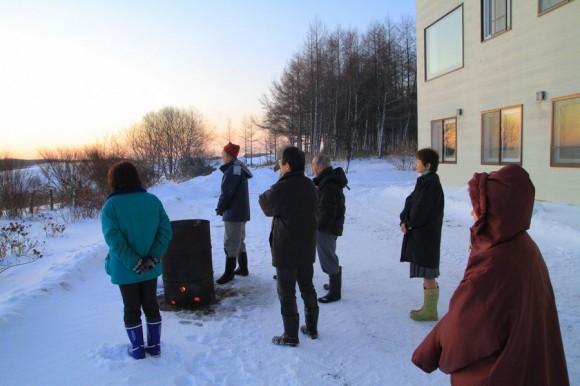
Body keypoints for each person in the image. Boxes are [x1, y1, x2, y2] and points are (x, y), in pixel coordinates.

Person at [412, 164, 569, 385]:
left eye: (476, 206)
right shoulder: (524, 246)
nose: (471, 212)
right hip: (525, 367)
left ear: (495, 210)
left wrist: (431, 349)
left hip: (496, 374)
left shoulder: (493, 264)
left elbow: (463, 335)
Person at [101, 161, 173, 360]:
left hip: (126, 270)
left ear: (113, 181)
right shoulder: (152, 200)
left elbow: (113, 239)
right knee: (151, 304)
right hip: (150, 267)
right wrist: (152, 257)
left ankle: (137, 349)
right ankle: (155, 346)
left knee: (131, 307)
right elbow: (165, 231)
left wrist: (134, 262)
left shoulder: (111, 206)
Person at [259, 146, 319, 346]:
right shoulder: (310, 186)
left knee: (286, 293)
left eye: (281, 163)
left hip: (286, 250)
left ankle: (291, 336)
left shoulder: (281, 188)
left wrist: (279, 182)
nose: (279, 165)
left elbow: (264, 203)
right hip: (307, 247)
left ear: (288, 165)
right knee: (307, 288)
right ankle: (312, 328)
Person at [399, 148, 444, 321]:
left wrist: (408, 222)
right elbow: (411, 203)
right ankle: (428, 308)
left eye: (418, 162)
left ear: (428, 165)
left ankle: (431, 311)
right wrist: (404, 220)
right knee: (427, 271)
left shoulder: (430, 183)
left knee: (428, 271)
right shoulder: (425, 181)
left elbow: (419, 211)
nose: (415, 164)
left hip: (426, 236)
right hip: (423, 234)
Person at [310, 154, 348, 303]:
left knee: (327, 256)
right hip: (329, 226)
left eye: (313, 165)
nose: (312, 168)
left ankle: (335, 293)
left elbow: (328, 210)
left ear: (320, 166)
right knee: (329, 254)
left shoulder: (328, 184)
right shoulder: (327, 180)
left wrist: (319, 228)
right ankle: (334, 284)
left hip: (327, 228)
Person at [215, 142, 253, 284]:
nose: (221, 156)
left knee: (231, 242)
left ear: (227, 155)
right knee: (239, 240)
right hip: (240, 211)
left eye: (223, 153)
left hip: (234, 212)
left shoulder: (232, 170)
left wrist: (220, 207)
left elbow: (227, 192)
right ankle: (243, 269)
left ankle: (229, 274)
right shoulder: (238, 167)